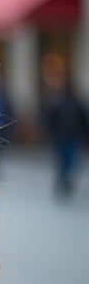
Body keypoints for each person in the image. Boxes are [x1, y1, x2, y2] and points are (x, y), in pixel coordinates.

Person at [40, 53, 89, 198]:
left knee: (72, 162)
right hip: (60, 136)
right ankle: (62, 182)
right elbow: (48, 119)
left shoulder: (76, 100)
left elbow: (83, 118)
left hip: (73, 136)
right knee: (63, 162)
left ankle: (65, 181)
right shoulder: (54, 99)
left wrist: (85, 135)